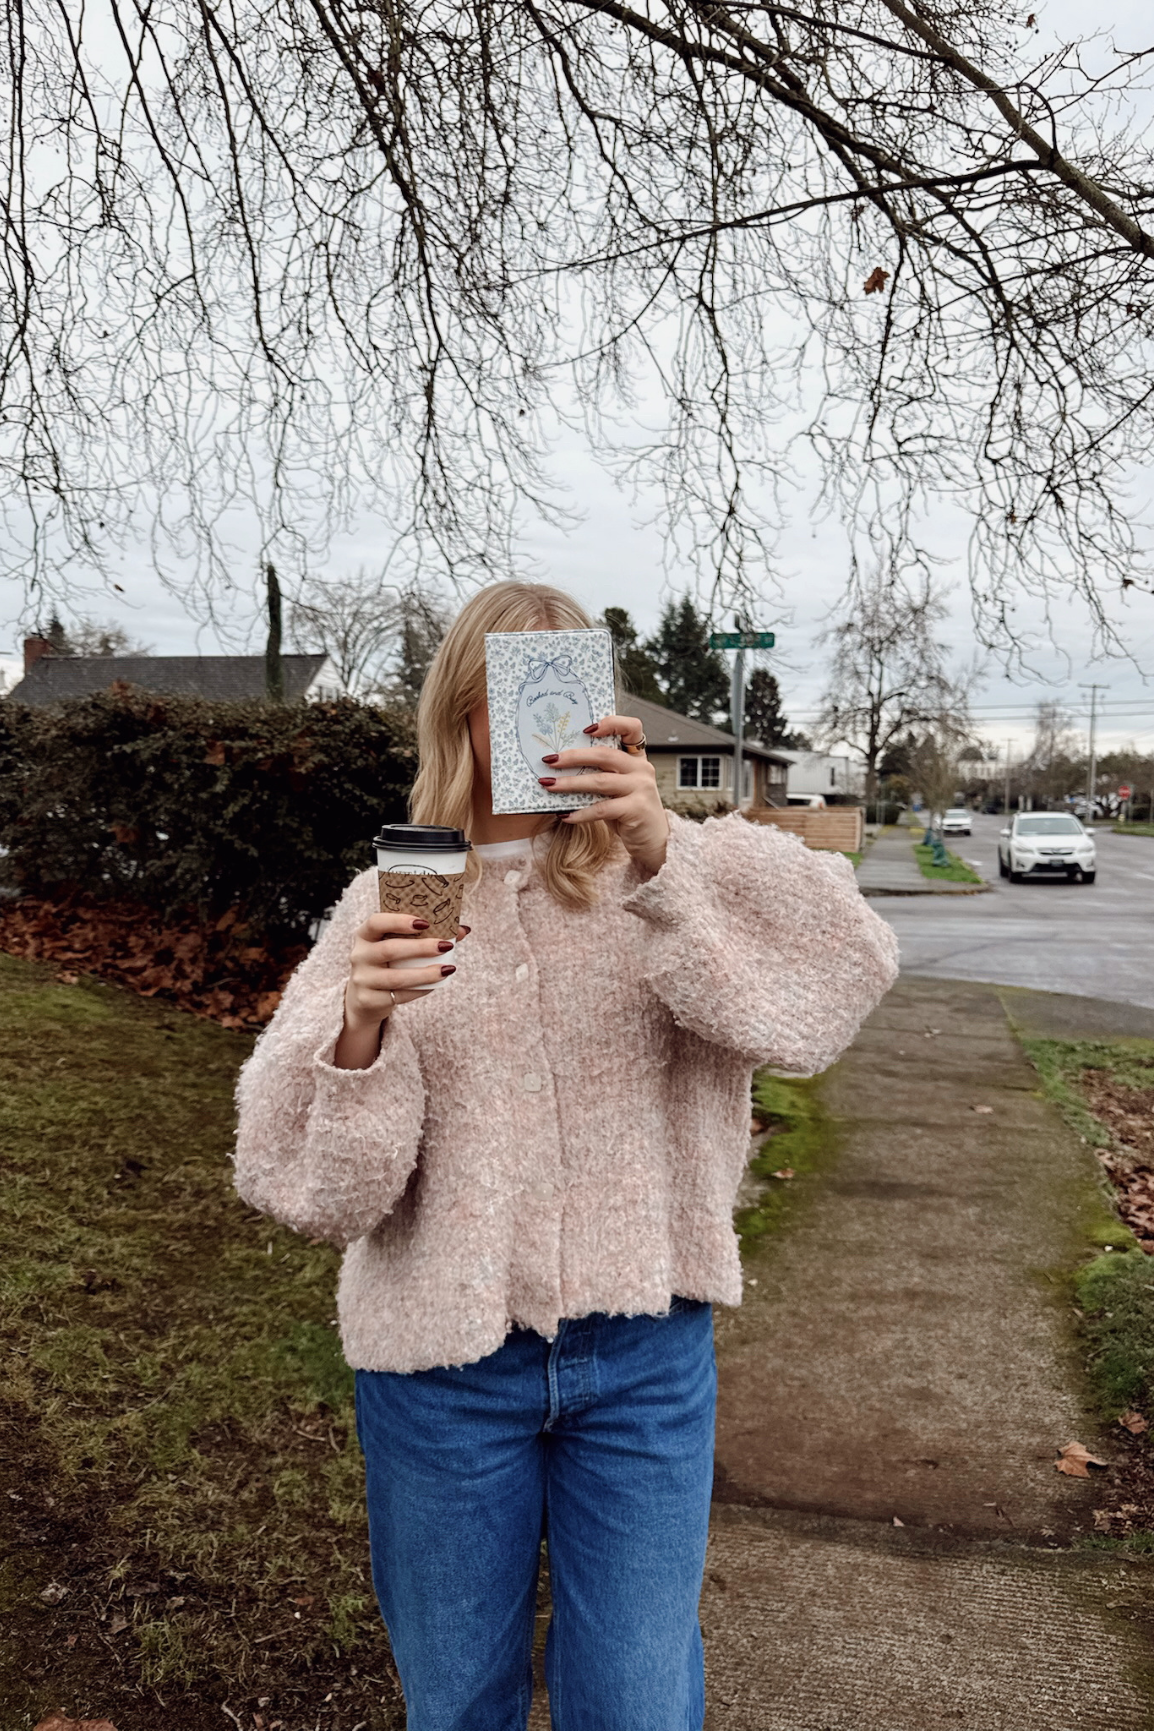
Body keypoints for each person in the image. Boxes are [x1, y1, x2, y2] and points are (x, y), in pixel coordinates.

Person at [233, 579, 898, 1731]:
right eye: (510, 691)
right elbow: (314, 1191)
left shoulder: (673, 873)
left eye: (567, 691)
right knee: (456, 1706)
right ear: (461, 715)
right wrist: (361, 1030)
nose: (543, 724)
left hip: (643, 1359)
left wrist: (660, 846)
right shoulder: (389, 905)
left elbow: (829, 994)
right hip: (438, 1371)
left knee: (636, 1706)